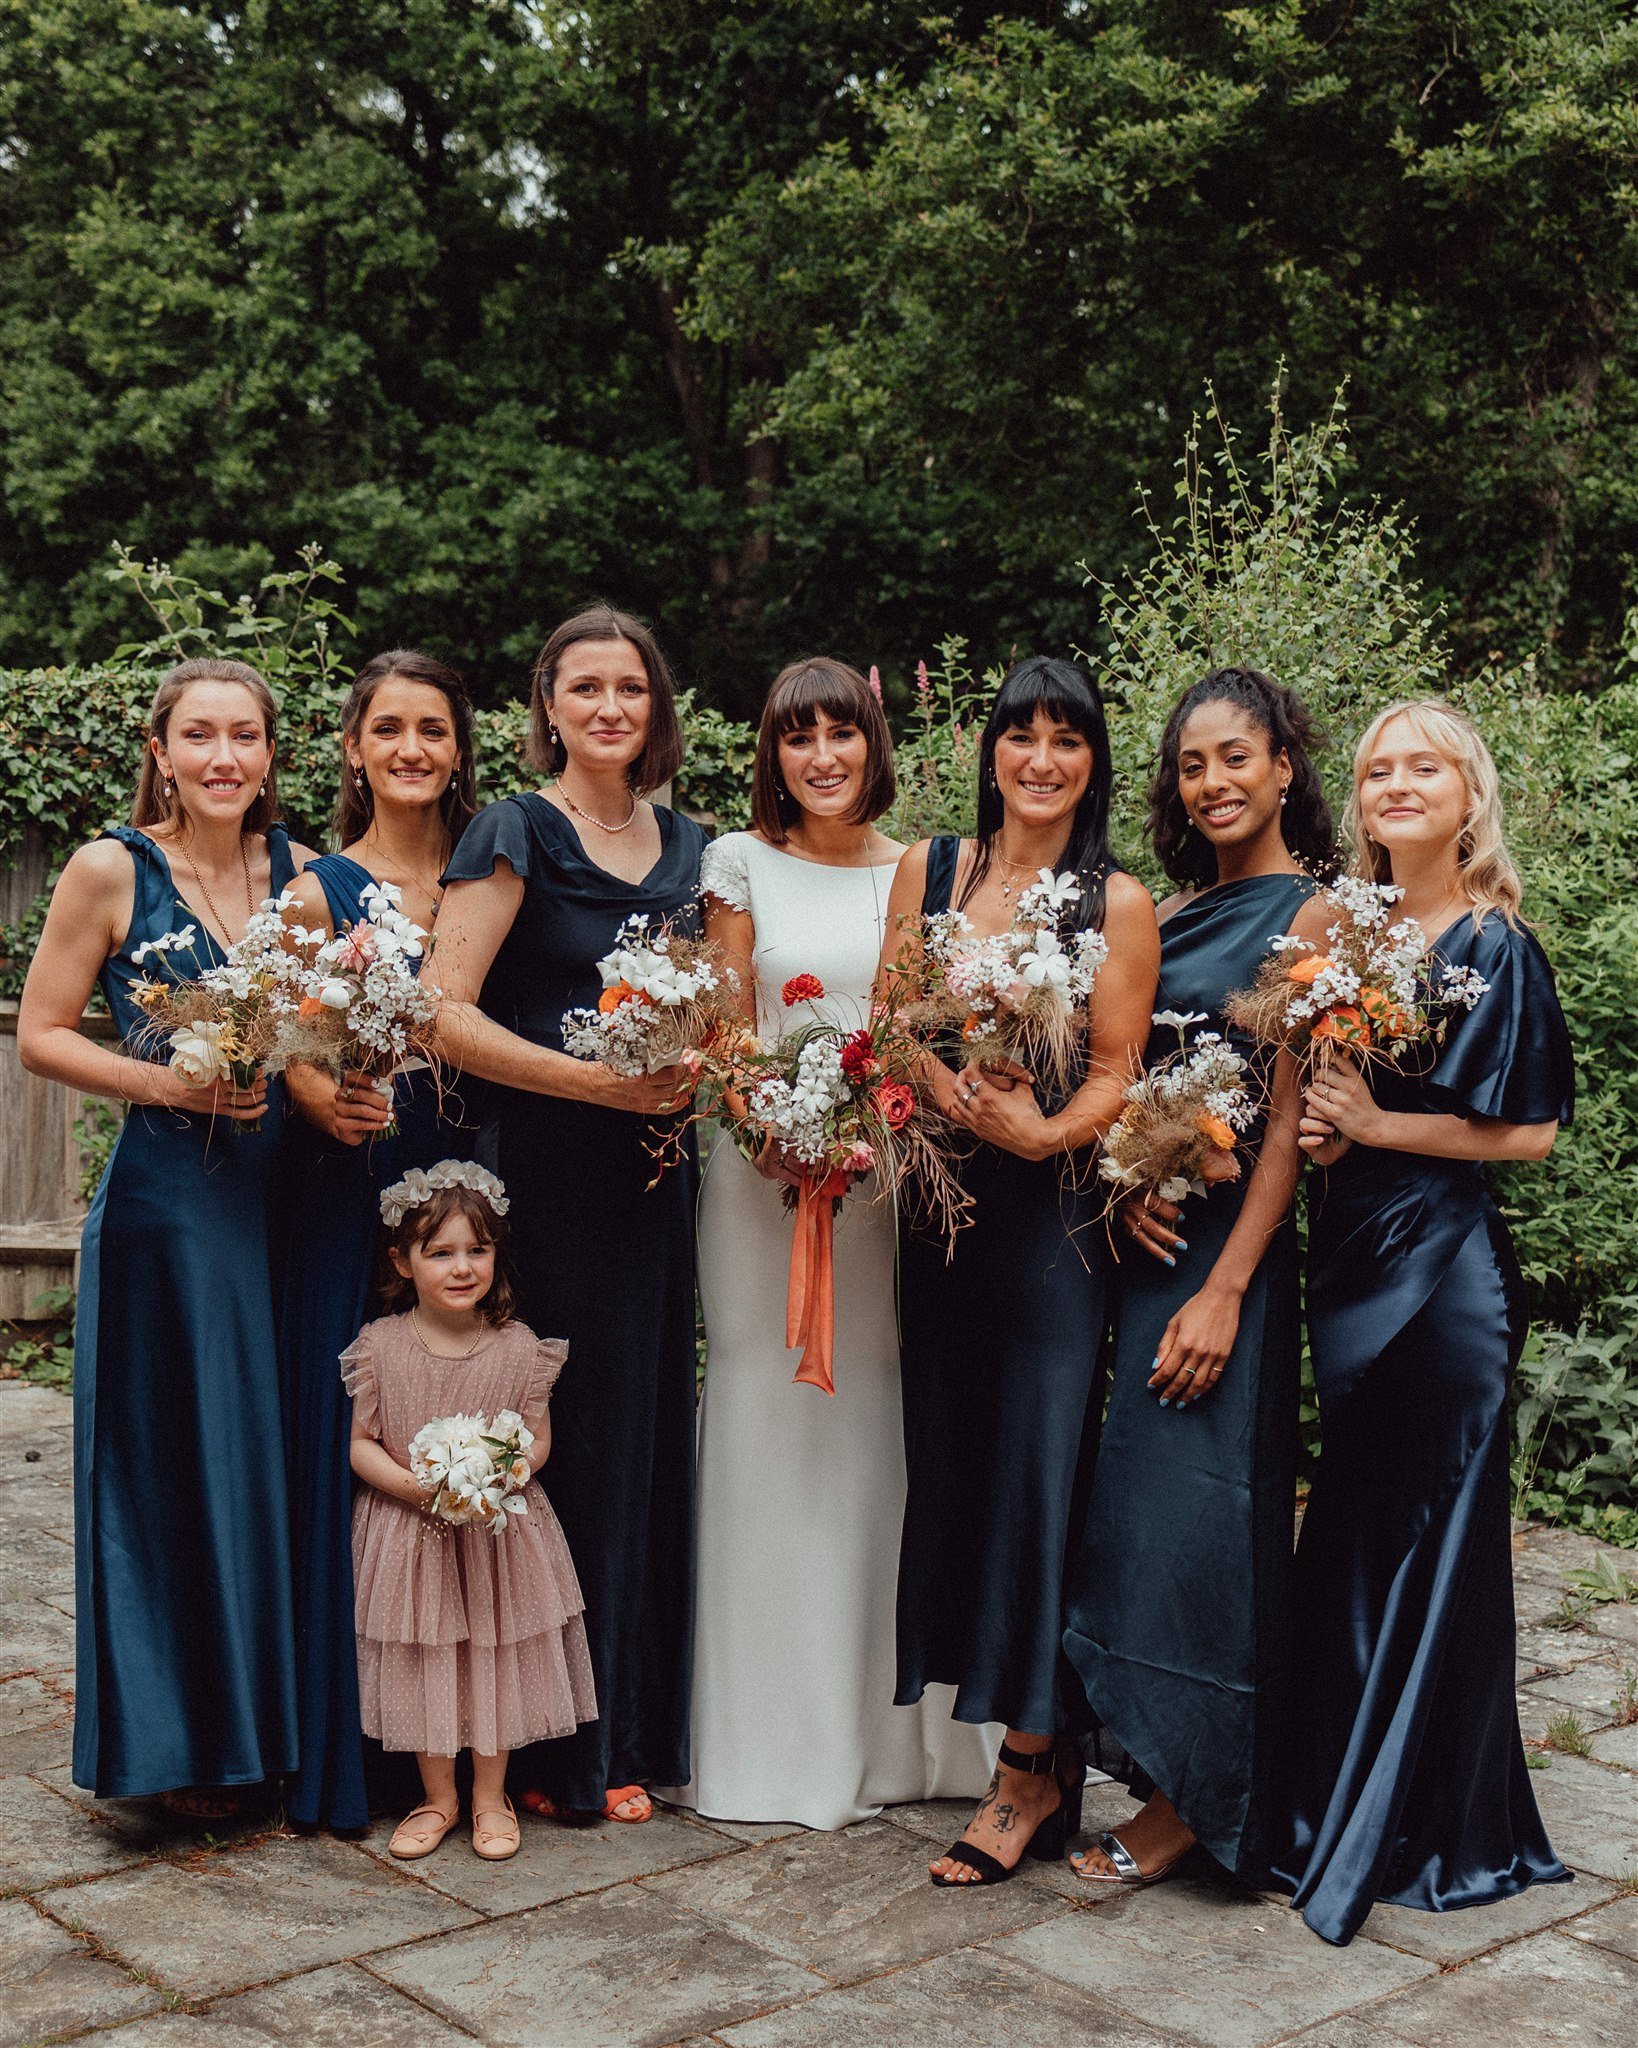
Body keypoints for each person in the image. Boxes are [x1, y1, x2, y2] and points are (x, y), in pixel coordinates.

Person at [666, 657, 997, 1829]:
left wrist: (877, 1121)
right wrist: (766, 1126)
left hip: (889, 1186)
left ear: (873, 744)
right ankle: (771, 1742)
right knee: (767, 1406)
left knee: (884, 1416)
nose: (822, 756)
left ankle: (906, 1735)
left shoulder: (921, 866)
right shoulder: (736, 862)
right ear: (773, 751)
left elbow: (916, 1019)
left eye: (842, 734)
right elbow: (720, 1023)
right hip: (761, 1184)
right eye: (798, 736)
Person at [1271, 700, 1573, 1946]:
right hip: (1346, 1261)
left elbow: (1535, 1131)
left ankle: (1433, 1824)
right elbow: (1319, 1091)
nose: (1397, 784)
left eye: (1423, 767)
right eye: (1378, 769)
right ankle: (1332, 1796)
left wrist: (1381, 1124)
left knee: (1438, 1539)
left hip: (1445, 1281)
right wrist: (1327, 1125)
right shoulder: (1348, 927)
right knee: (1351, 1529)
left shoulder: (1496, 942)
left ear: (1467, 794)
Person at [883, 655, 1160, 1887]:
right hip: (940, 1210)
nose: (1041, 759)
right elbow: (892, 1010)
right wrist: (947, 1090)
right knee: (956, 1461)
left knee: (1039, 1477)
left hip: (1049, 1220)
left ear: (1094, 761)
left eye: (1068, 739)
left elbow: (1114, 1069)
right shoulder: (931, 870)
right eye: (1021, 735)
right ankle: (1012, 1747)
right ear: (990, 748)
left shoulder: (1119, 901)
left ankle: (1033, 1767)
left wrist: (1043, 1133)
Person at [17, 656, 311, 1815]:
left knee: (276, 1457)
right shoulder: (109, 868)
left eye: (245, 735)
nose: (224, 757)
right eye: (200, 736)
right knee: (174, 1461)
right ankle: (177, 1751)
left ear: (272, 754)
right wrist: (167, 1079)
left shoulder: (300, 876)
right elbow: (43, 1033)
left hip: (286, 1195)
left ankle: (279, 1736)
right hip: (170, 1210)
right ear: (161, 749)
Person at [433, 604, 705, 1824]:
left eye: (630, 689)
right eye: (584, 687)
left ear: (657, 710)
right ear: (546, 705)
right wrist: (598, 1079)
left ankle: (628, 1726)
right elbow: (445, 1009)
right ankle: (544, 1745)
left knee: (642, 1441)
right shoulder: (513, 829)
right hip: (542, 1182)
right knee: (557, 1442)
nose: (608, 707)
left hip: (655, 1187)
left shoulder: (700, 845)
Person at [1063, 665, 1334, 1888]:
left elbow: (1283, 1126)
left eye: (1238, 756)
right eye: (1192, 763)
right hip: (1147, 1254)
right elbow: (1129, 1076)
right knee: (1134, 1522)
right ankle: (1162, 1763)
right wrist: (1124, 1196)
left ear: (1286, 764)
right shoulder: (1163, 914)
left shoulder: (1317, 920)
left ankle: (1200, 1804)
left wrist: (1226, 1286)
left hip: (1233, 1264)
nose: (1214, 781)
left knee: (1208, 1520)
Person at [276, 649, 479, 1835]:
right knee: (353, 1441)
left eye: (434, 729)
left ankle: (472, 1736)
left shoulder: (489, 870)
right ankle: (354, 1749)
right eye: (389, 727)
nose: (412, 747)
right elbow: (292, 1043)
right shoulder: (317, 888)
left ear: (460, 748)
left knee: (461, 1426)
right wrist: (321, 1094)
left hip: (473, 1179)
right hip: (351, 1182)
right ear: (353, 745)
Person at [346, 1160, 595, 1862]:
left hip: (498, 1535)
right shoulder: (380, 1346)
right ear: (403, 1260)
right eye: (441, 1252)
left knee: (493, 1655)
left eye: (477, 1250)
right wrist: (416, 1487)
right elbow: (359, 1444)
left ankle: (491, 1797)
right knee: (425, 1662)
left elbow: (537, 1436)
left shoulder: (519, 1348)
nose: (462, 1268)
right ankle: (438, 1798)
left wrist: (507, 1471)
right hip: (410, 1532)